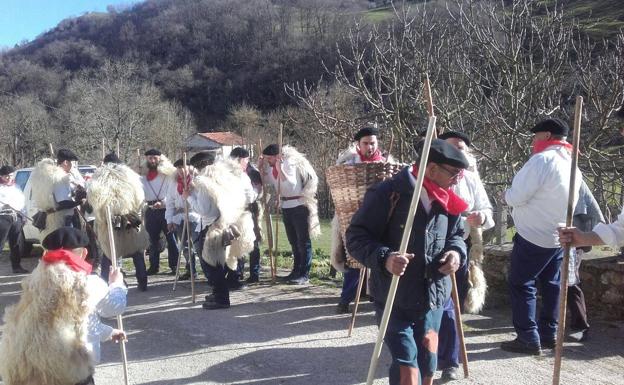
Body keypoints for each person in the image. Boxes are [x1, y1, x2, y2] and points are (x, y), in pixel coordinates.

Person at [346, 139, 469, 385]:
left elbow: (457, 237)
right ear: (431, 169)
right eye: (454, 172)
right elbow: (356, 238)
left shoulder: (448, 199)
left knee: (427, 365)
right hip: (394, 299)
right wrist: (385, 258)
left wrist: (455, 254)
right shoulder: (387, 193)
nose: (458, 178)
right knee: (407, 364)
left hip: (433, 299)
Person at [0, 227, 127, 385]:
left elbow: (76, 323)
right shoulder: (86, 283)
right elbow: (114, 306)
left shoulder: (34, 282)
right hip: (69, 373)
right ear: (84, 254)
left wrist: (109, 332)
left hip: (33, 371)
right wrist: (116, 284)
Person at [500, 118, 582, 356]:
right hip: (558, 234)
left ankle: (527, 337)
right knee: (552, 285)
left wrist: (506, 195)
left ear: (546, 136)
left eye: (536, 136)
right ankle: (549, 334)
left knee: (521, 283)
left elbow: (517, 196)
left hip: (533, 234)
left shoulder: (542, 160)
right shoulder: (572, 163)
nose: (533, 141)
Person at [436, 131, 494, 381]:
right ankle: (429, 349)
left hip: (460, 244)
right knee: (432, 303)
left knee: (451, 303)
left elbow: (486, 209)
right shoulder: (427, 174)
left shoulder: (470, 178)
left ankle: (450, 360)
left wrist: (481, 217)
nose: (456, 152)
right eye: (451, 147)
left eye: (461, 147)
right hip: (428, 245)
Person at [331, 126, 390, 314]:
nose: (369, 147)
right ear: (358, 145)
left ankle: (378, 299)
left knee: (380, 257)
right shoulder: (348, 164)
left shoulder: (387, 164)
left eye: (372, 143)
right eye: (365, 143)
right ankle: (345, 299)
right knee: (354, 258)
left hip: (380, 220)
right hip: (353, 219)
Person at [185, 158, 256, 309]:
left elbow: (204, 210)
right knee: (217, 263)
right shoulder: (225, 179)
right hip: (223, 224)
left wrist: (189, 196)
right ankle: (217, 292)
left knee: (212, 264)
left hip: (211, 227)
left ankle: (222, 298)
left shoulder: (204, 182)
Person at [259, 144, 320, 285]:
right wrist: (260, 167)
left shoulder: (289, 163)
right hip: (286, 206)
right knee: (293, 242)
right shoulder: (272, 166)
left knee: (303, 241)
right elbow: (266, 181)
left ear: (276, 156)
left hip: (299, 206)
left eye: (269, 158)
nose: (268, 161)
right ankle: (296, 271)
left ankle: (304, 274)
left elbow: (292, 185)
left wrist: (281, 170)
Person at [88, 152, 150, 291]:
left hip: (112, 219)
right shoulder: (131, 177)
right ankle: (142, 282)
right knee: (137, 251)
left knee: (110, 252)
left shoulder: (100, 178)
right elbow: (140, 198)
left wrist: (102, 216)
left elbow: (95, 200)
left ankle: (105, 283)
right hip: (130, 218)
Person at [31, 148, 88, 239]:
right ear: (65, 162)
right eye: (72, 163)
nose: (72, 166)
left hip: (59, 218)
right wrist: (80, 202)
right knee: (67, 245)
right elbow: (63, 202)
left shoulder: (56, 176)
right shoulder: (59, 178)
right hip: (63, 219)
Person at [140, 148, 179, 275]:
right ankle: (154, 266)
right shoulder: (143, 176)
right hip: (150, 211)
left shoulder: (167, 174)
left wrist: (163, 203)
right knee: (152, 239)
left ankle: (174, 265)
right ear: (146, 159)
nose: (152, 160)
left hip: (166, 209)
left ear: (159, 158)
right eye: (150, 158)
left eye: (154, 158)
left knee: (171, 238)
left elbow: (173, 192)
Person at [229, 147, 263, 284]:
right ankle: (240, 272)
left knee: (238, 243)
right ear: (241, 159)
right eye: (246, 160)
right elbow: (250, 197)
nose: (247, 162)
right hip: (243, 212)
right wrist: (257, 190)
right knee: (248, 242)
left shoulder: (250, 172)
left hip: (236, 213)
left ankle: (242, 272)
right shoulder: (241, 175)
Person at [166, 158, 202, 281]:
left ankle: (207, 271)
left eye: (184, 166)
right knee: (185, 246)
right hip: (180, 217)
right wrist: (169, 220)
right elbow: (170, 202)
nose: (181, 170)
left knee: (198, 245)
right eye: (179, 167)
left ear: (190, 167)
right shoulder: (174, 182)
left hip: (195, 216)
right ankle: (191, 270)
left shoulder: (197, 180)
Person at [0, 165, 28, 273]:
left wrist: (24, 216)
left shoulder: (16, 187)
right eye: (6, 176)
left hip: (17, 216)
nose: (9, 178)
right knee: (1, 243)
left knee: (15, 243)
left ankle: (16, 267)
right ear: (1, 176)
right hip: (3, 217)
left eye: (11, 176)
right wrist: (3, 206)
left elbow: (22, 202)